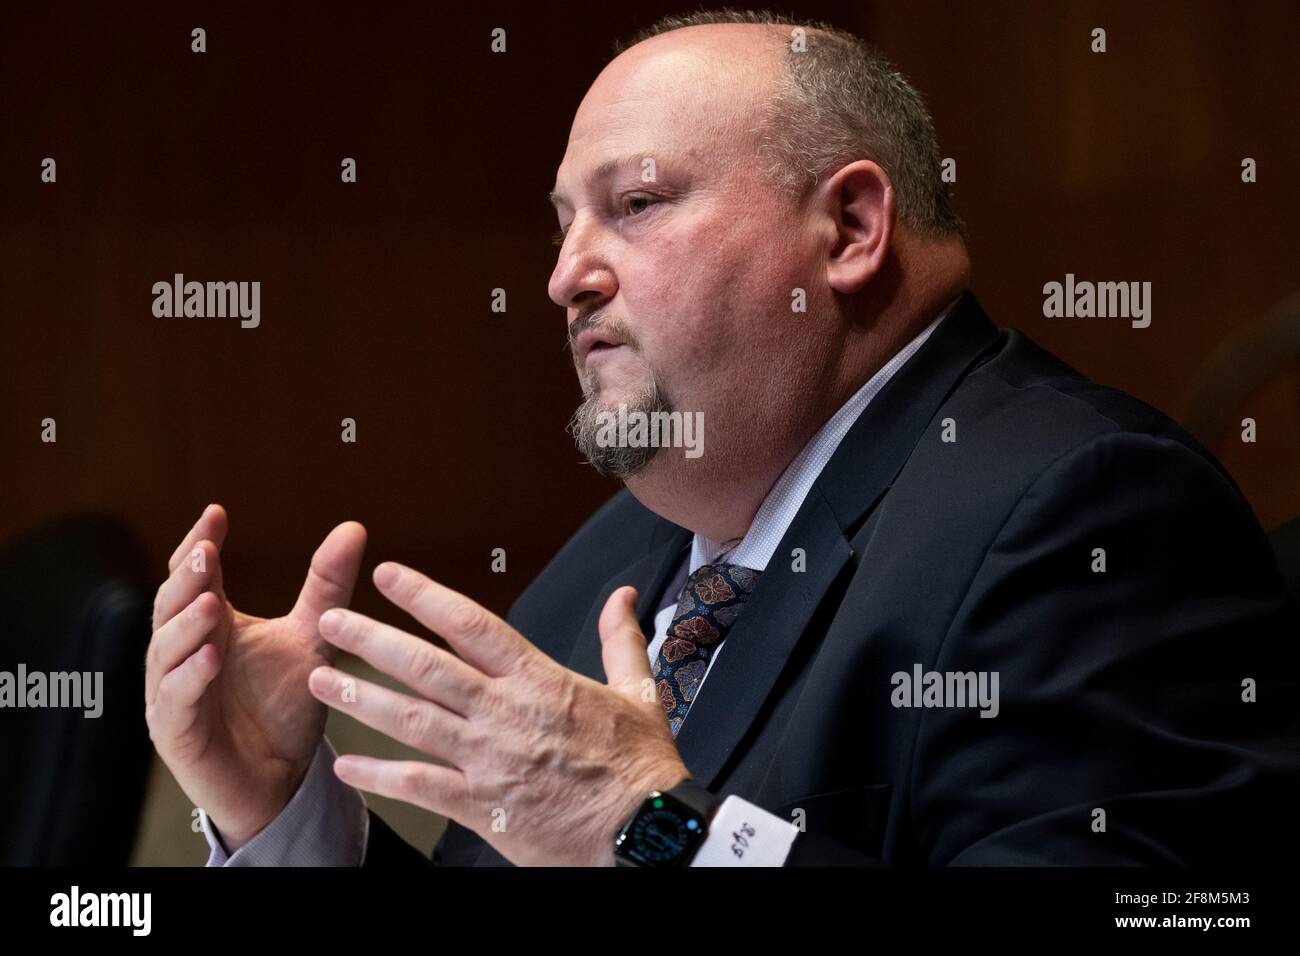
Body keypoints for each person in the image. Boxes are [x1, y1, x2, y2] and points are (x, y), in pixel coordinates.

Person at [143, 11, 1300, 867]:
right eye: (563, 223)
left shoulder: (1084, 514)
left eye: (635, 203)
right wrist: (282, 806)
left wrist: (648, 828)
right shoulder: (626, 552)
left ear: (848, 226)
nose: (564, 276)